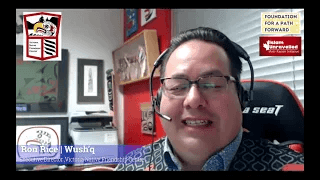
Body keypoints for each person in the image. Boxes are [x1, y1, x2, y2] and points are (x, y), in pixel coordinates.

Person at [114, 27, 304, 171]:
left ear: (241, 97)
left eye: (212, 84)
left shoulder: (292, 166)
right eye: (178, 85)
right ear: (158, 100)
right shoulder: (129, 166)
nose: (194, 99)